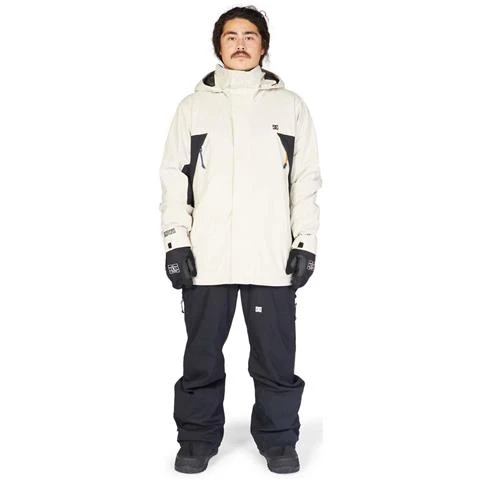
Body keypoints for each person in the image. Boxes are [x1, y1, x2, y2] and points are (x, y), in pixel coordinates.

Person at [159, 6, 322, 474]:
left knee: (275, 357)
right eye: (231, 36)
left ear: (263, 45)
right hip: (207, 256)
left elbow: (305, 179)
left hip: (271, 256)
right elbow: (174, 178)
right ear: (218, 45)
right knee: (201, 356)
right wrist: (175, 241)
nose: (240, 44)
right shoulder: (192, 108)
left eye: (250, 36)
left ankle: (278, 439)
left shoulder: (289, 106)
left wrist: (305, 242)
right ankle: (196, 437)